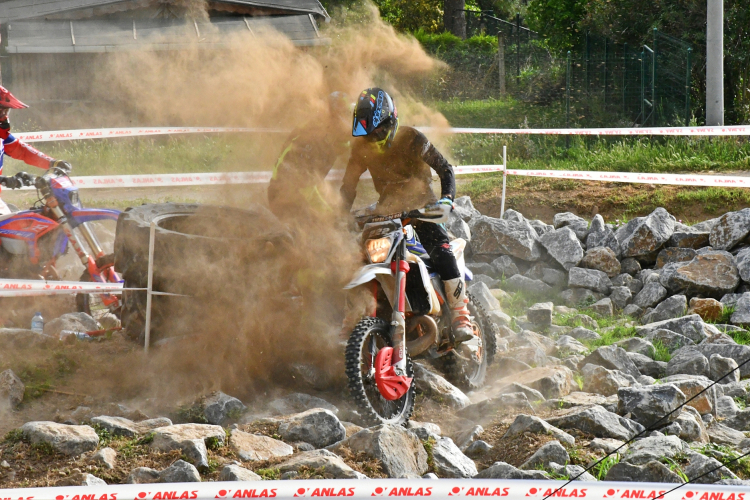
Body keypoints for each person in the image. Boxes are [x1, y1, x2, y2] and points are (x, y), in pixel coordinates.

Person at [340, 87, 473, 343]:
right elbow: (348, 186)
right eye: (369, 134)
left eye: (378, 131)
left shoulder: (412, 138)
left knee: (441, 250)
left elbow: (445, 169)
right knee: (359, 258)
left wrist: (447, 199)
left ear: (391, 122)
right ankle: (352, 321)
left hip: (422, 205)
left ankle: (460, 314)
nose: (374, 138)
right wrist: (341, 214)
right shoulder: (360, 148)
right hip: (387, 209)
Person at [267, 92, 351, 220]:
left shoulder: (325, 136)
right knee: (327, 223)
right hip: (286, 197)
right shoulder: (311, 141)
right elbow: (306, 187)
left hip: (298, 193)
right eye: (343, 116)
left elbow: (346, 144)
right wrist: (331, 214)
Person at [0, 86, 71, 213]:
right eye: (1, 111)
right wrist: (4, 179)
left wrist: (52, 163)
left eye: (6, 111)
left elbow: (22, 151)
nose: (4, 117)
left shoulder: (2, 136)